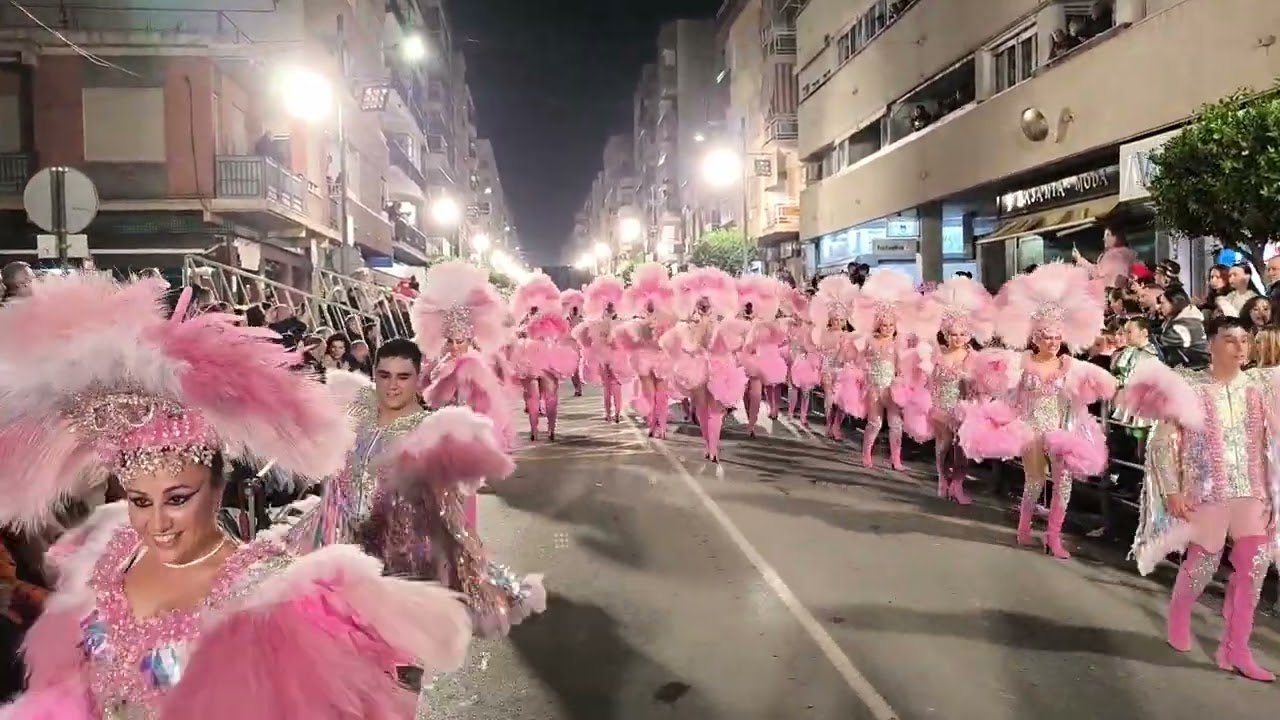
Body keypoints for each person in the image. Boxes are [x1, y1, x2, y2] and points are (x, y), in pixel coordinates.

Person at [0, 275, 474, 718]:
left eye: (178, 498)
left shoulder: (263, 598)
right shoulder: (108, 556)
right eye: (140, 501)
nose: (157, 523)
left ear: (217, 489)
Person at [290, 339, 544, 637]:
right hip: (341, 540)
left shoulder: (428, 431)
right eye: (384, 376)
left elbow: (447, 510)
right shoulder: (357, 412)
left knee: (398, 645)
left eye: (403, 377)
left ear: (417, 377)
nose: (392, 386)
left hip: (400, 554)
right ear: (374, 373)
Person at [1118, 316, 1276, 682]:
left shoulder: (1261, 388)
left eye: (1244, 341)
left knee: (1253, 570)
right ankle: (1180, 610)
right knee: (1203, 564)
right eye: (1230, 340)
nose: (1240, 348)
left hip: (1253, 492)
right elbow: (1160, 443)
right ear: (1212, 344)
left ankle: (1235, 649)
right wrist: (1171, 490)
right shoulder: (1188, 388)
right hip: (1206, 491)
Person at [965, 264, 1115, 559]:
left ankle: (1054, 537)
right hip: (1030, 427)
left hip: (1061, 430)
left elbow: (1101, 384)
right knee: (1035, 480)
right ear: (1035, 337)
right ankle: (1024, 527)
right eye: (1047, 336)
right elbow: (998, 382)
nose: (1053, 341)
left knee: (1065, 483)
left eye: (1057, 336)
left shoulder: (1070, 365)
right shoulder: (1020, 361)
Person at [921, 275, 996, 504]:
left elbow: (984, 385)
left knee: (962, 448)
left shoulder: (974, 357)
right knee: (943, 447)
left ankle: (958, 485)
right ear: (946, 334)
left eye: (963, 334)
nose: (959, 338)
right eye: (954, 334)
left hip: (965, 409)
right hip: (941, 407)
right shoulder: (936, 356)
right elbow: (926, 381)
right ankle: (943, 479)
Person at [662, 267, 748, 464]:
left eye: (707, 302)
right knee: (702, 409)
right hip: (697, 367)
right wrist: (697, 332)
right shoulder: (689, 324)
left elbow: (732, 343)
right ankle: (708, 444)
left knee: (716, 410)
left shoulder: (723, 321)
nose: (704, 305)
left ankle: (714, 448)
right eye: (700, 303)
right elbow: (687, 346)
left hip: (719, 367)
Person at [509, 275, 577, 441]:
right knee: (550, 396)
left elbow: (514, 334)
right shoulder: (549, 317)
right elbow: (561, 333)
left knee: (535, 397)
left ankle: (535, 431)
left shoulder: (525, 320)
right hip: (545, 358)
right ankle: (549, 430)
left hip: (530, 359)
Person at [613, 263, 677, 437]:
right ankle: (653, 421)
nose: (650, 305)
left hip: (661, 356)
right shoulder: (638, 320)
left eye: (653, 302)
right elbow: (632, 336)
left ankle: (661, 426)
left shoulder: (669, 316)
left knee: (662, 393)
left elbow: (672, 337)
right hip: (644, 357)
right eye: (647, 302)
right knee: (649, 394)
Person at [574, 274, 632, 423]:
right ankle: (615, 413)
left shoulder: (606, 320)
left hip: (609, 354)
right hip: (611, 355)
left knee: (609, 386)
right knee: (613, 385)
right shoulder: (615, 321)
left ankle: (611, 413)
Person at [736, 275, 789, 435]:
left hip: (760, 361)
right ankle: (749, 417)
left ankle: (752, 423)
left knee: (756, 393)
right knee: (745, 393)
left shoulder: (769, 323)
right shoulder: (740, 319)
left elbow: (780, 339)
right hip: (742, 358)